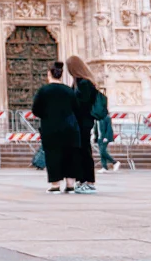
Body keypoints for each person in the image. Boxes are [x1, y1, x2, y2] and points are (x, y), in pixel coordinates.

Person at [31, 62, 82, 194]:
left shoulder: (43, 91)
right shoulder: (69, 91)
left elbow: (35, 110)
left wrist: (47, 116)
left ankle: (55, 185)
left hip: (51, 127)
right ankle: (70, 184)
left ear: (49, 74)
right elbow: (76, 108)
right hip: (70, 127)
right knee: (70, 154)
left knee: (53, 154)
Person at [67, 55, 100, 193]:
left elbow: (83, 104)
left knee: (85, 151)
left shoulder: (85, 83)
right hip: (79, 123)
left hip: (83, 123)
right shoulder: (78, 82)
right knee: (79, 151)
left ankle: (90, 182)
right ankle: (82, 180)